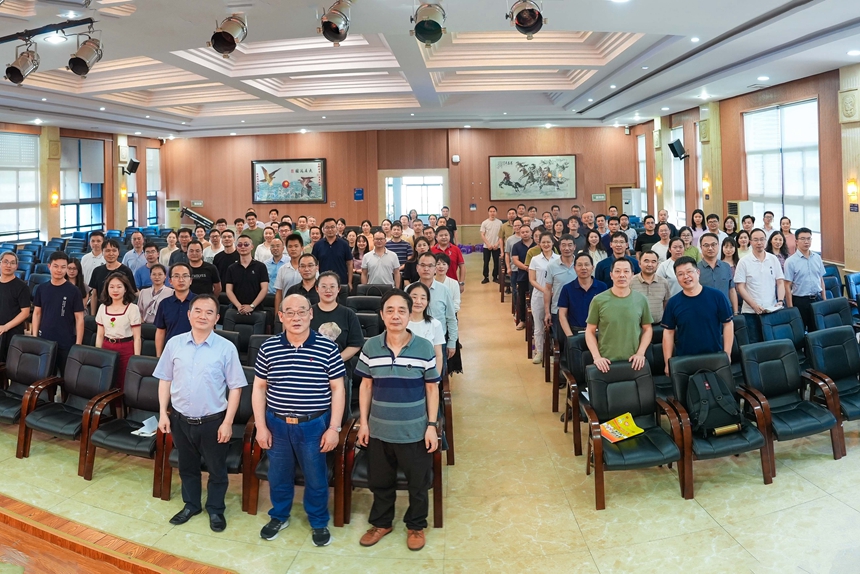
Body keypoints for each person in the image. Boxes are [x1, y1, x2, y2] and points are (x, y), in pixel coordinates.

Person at [252, 293, 346, 546]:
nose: (296, 317)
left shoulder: (328, 348)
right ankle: (279, 515)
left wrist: (334, 428)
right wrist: (261, 426)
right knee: (278, 474)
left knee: (316, 477)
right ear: (281, 316)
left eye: (302, 311)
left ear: (311, 314)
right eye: (290, 312)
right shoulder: (268, 347)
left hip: (314, 425)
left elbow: (338, 389)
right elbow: (259, 387)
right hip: (277, 424)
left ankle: (318, 521)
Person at [355, 290, 441, 552]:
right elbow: (365, 386)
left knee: (418, 484)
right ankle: (381, 523)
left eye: (401, 310)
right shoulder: (371, 346)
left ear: (409, 314)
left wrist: (431, 426)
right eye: (389, 310)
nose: (395, 316)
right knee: (380, 482)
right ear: (381, 315)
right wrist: (364, 424)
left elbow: (432, 389)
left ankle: (416, 526)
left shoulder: (424, 347)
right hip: (379, 430)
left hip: (414, 430)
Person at [155, 293, 247, 533]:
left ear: (217, 318)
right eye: (197, 311)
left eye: (209, 312)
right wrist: (163, 413)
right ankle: (191, 505)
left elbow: (236, 387)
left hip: (213, 422)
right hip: (180, 419)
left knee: (217, 470)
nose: (202, 316)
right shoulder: (174, 343)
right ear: (189, 315)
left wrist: (228, 423)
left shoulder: (226, 348)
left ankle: (215, 509)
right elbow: (165, 379)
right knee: (187, 466)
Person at [662, 256, 734, 375]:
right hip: (685, 361)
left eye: (689, 271)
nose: (686, 276)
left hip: (714, 358)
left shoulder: (717, 296)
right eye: (680, 274)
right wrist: (667, 362)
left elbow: (728, 324)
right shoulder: (673, 303)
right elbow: (668, 333)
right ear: (677, 277)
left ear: (698, 272)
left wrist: (727, 354)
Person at [585, 258, 653, 373]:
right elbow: (590, 331)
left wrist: (640, 353)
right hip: (606, 363)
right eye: (617, 271)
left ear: (632, 275)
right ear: (611, 275)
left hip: (634, 362)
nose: (622, 275)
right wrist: (597, 357)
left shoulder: (641, 299)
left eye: (626, 271)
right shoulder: (598, 300)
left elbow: (647, 329)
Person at [31, 252, 84, 375]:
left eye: (63, 267)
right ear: (49, 266)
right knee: (45, 375)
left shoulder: (74, 291)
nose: (59, 270)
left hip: (66, 341)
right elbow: (37, 313)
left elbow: (79, 318)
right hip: (45, 339)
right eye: (56, 266)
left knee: (67, 377)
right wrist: (34, 336)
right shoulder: (41, 288)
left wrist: (78, 344)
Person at [95, 273, 141, 390]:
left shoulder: (132, 308)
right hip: (106, 347)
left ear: (125, 289)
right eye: (111, 287)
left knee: (124, 382)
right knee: (106, 381)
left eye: (119, 287)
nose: (115, 290)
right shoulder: (102, 307)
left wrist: (136, 359)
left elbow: (137, 337)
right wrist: (98, 354)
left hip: (126, 348)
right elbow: (100, 335)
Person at [311, 272, 363, 363]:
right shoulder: (308, 313)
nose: (328, 290)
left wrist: (335, 360)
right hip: (312, 365)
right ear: (317, 289)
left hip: (340, 366)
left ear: (338, 289)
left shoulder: (348, 314)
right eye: (323, 286)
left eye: (332, 286)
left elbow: (355, 344)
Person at [415, 252, 458, 363]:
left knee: (438, 371)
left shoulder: (444, 290)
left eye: (430, 266)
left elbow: (451, 318)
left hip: (438, 341)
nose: (426, 269)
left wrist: (452, 342)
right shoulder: (409, 290)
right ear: (417, 268)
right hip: (415, 341)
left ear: (435, 269)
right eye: (423, 265)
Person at [734, 229, 785, 321]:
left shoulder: (773, 259)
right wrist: (754, 305)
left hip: (771, 309)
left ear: (766, 241)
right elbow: (740, 287)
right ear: (750, 242)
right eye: (756, 240)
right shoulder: (743, 261)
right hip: (750, 312)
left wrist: (780, 300)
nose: (759, 243)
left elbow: (780, 282)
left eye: (762, 239)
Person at [784, 227, 827, 332]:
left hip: (817, 299)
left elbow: (821, 280)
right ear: (796, 241)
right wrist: (791, 308)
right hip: (800, 301)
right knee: (800, 332)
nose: (806, 241)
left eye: (808, 238)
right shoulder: (790, 261)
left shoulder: (817, 258)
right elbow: (787, 286)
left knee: (818, 331)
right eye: (802, 239)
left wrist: (824, 299)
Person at [558, 252, 607, 338]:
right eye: (580, 265)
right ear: (574, 268)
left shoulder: (602, 287)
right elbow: (562, 315)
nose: (583, 268)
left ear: (592, 267)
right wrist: (570, 337)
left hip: (597, 332)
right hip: (575, 332)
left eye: (587, 264)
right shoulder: (567, 288)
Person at [529, 233, 559, 365]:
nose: (546, 244)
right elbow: (532, 280)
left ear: (553, 243)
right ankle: (539, 352)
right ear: (539, 244)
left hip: (556, 296)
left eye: (548, 242)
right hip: (539, 296)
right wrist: (545, 290)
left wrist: (553, 292)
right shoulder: (535, 259)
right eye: (543, 242)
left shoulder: (558, 259)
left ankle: (553, 352)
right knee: (539, 325)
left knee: (555, 326)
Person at [154, 263, 194, 356]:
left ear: (191, 280)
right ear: (170, 281)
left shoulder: (199, 303)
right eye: (176, 276)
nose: (181, 280)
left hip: (195, 352)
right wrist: (159, 356)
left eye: (185, 276)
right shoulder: (164, 304)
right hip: (171, 352)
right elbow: (160, 332)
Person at [89, 239, 136, 315]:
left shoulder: (126, 271)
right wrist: (93, 315)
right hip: (102, 312)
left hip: (122, 313)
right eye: (107, 251)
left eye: (114, 250)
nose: (111, 254)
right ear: (102, 252)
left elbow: (131, 294)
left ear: (118, 252)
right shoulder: (97, 271)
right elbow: (94, 295)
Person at [224, 235, 269, 314]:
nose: (243, 247)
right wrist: (239, 306)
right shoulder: (231, 268)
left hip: (257, 309)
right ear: (236, 247)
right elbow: (229, 290)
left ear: (252, 247)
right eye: (240, 245)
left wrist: (252, 306)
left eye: (246, 244)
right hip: (236, 309)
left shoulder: (261, 266)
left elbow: (264, 289)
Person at [406, 282, 445, 371]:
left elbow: (438, 356)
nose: (418, 302)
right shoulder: (400, 324)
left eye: (423, 298)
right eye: (414, 297)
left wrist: (436, 378)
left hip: (427, 373)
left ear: (427, 302)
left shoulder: (435, 324)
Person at [0, 251, 30, 362]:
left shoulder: (22, 287)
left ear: (16, 266)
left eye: (12, 263)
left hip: (12, 333)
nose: (8, 265)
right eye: (5, 262)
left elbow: (25, 312)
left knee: (9, 365)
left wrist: (6, 327)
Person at [698, 233, 739, 314]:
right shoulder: (696, 269)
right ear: (701, 247)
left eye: (713, 244)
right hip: (704, 311)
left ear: (718, 245)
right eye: (706, 245)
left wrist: (735, 312)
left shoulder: (726, 267)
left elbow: (732, 290)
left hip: (726, 310)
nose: (710, 248)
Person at [311, 218, 352, 292]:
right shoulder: (317, 245)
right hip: (323, 283)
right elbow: (313, 264)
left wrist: (350, 282)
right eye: (327, 227)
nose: (330, 230)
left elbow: (350, 263)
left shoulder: (344, 244)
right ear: (323, 230)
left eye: (332, 227)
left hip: (341, 282)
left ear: (336, 228)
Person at [630, 250, 670, 324]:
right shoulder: (630, 282)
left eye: (653, 262)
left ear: (657, 264)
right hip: (637, 326)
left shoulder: (664, 282)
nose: (650, 264)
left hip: (659, 325)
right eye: (646, 261)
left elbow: (666, 304)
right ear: (639, 263)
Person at [511, 224, 534, 330]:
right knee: (522, 298)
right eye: (523, 232)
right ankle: (523, 320)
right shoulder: (516, 246)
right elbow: (515, 260)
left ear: (531, 232)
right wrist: (526, 268)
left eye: (527, 232)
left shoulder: (536, 245)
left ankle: (534, 320)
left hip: (536, 276)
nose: (525, 234)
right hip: (522, 276)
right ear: (520, 234)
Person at [274, 234, 305, 311]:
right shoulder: (282, 269)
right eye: (290, 246)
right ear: (286, 249)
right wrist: (277, 314)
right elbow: (279, 293)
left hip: (305, 308)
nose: (293, 249)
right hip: (287, 309)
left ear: (302, 248)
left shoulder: (309, 269)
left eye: (296, 246)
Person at [480, 206, 503, 284]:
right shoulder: (484, 222)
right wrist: (488, 244)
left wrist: (497, 244)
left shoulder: (500, 223)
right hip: (487, 247)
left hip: (497, 246)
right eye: (491, 211)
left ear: (496, 212)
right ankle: (485, 277)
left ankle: (495, 277)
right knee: (486, 262)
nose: (492, 213)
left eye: (494, 211)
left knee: (496, 262)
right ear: (488, 212)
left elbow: (501, 235)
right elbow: (482, 234)